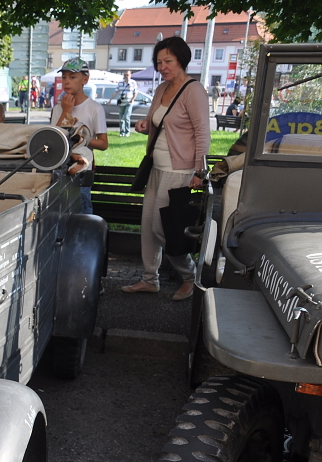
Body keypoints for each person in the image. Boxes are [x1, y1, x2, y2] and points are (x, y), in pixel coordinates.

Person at [121, 36, 209, 302]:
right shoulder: (161, 89)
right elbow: (156, 122)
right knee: (148, 228)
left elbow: (202, 134)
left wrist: (200, 172)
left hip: (179, 171)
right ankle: (150, 279)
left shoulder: (194, 90)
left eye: (168, 61)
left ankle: (189, 276)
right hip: (156, 168)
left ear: (181, 59)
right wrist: (144, 125)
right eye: (159, 62)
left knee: (164, 229)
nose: (162, 67)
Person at [50, 57, 108, 214]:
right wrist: (66, 111)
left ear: (85, 80)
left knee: (81, 211)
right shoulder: (59, 108)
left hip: (81, 171)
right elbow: (54, 140)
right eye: (64, 77)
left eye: (72, 77)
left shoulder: (94, 108)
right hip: (60, 170)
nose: (66, 81)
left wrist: (83, 139)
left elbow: (103, 143)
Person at [115, 71, 138, 137]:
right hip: (121, 102)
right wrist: (110, 99)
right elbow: (116, 91)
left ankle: (127, 132)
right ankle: (122, 132)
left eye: (127, 75)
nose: (126, 76)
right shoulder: (120, 83)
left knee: (126, 117)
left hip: (129, 102)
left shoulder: (133, 82)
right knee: (121, 118)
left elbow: (136, 92)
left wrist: (132, 100)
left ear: (130, 75)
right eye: (125, 75)